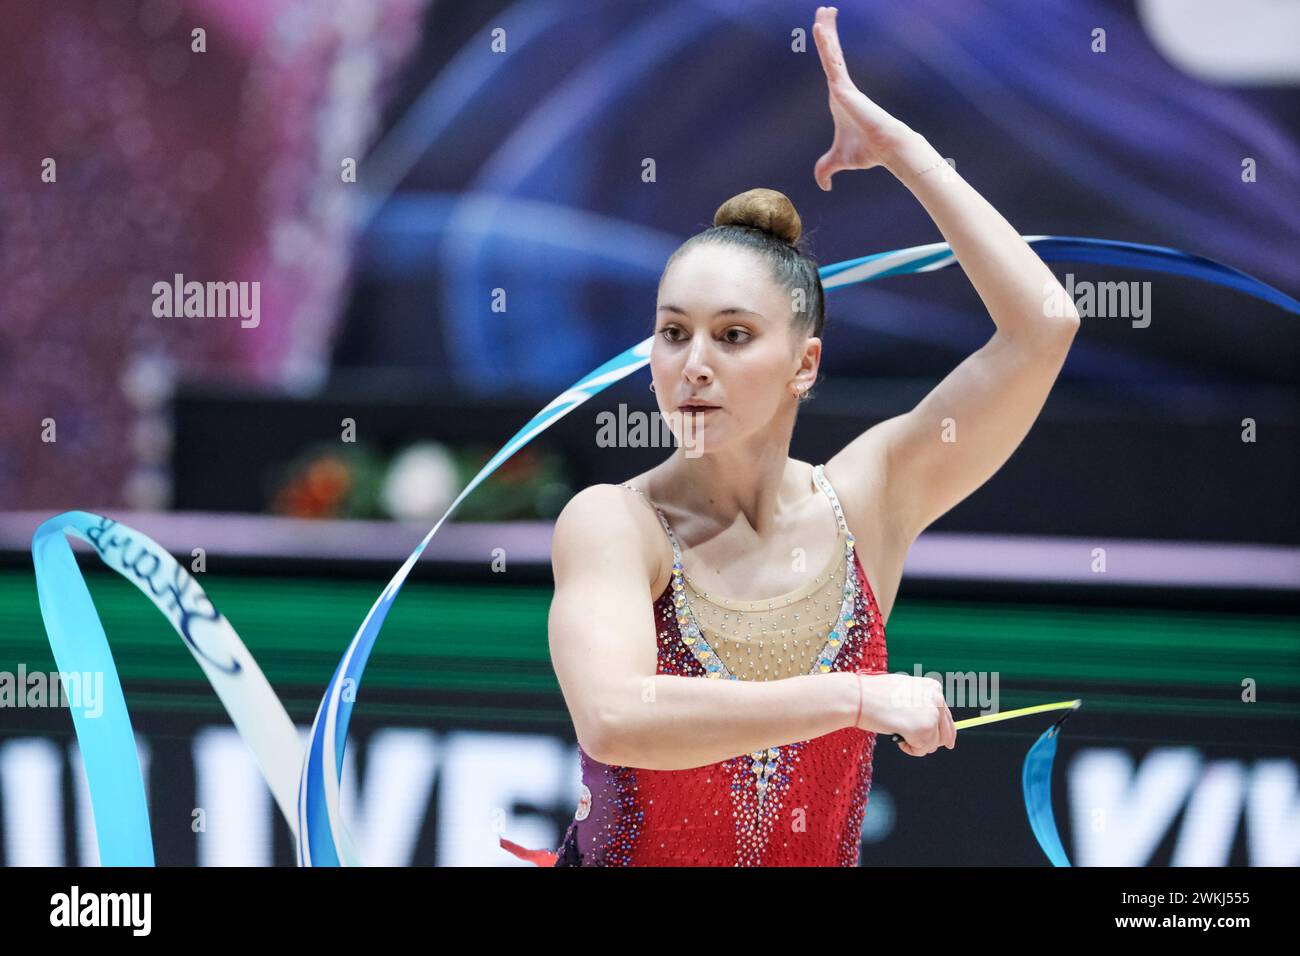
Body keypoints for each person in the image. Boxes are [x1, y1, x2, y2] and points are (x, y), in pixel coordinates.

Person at [501, 6, 1080, 866]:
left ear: (805, 364)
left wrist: (907, 155)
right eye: (672, 332)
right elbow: (617, 718)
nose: (692, 364)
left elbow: (1045, 326)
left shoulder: (868, 500)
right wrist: (853, 699)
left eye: (733, 336)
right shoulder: (613, 525)